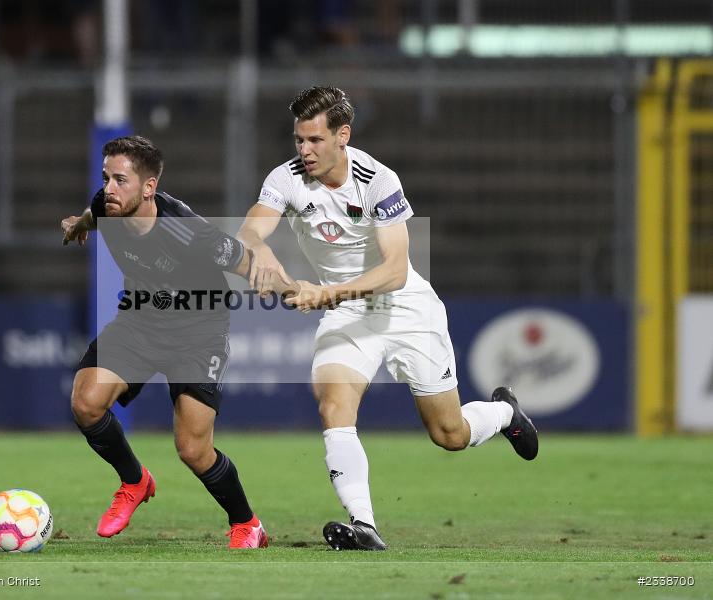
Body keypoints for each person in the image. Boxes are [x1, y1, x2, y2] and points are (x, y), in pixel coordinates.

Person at [237, 86, 539, 551]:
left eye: (315, 140)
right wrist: (257, 251)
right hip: (345, 314)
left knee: (449, 434)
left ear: (343, 136)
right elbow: (251, 229)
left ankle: (503, 412)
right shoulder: (287, 177)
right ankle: (364, 526)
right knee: (333, 404)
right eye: (299, 139)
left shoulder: (378, 179)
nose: (304, 150)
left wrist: (327, 292)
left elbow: (395, 270)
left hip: (406, 309)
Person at [61, 135, 270, 548]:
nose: (110, 188)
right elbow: (95, 212)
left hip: (198, 333)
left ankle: (248, 524)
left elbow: (248, 263)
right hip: (140, 320)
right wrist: (78, 224)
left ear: (149, 187)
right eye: (106, 178)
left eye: (120, 180)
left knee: (192, 449)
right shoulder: (107, 204)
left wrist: (297, 290)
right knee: (86, 403)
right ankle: (135, 481)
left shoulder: (188, 232)